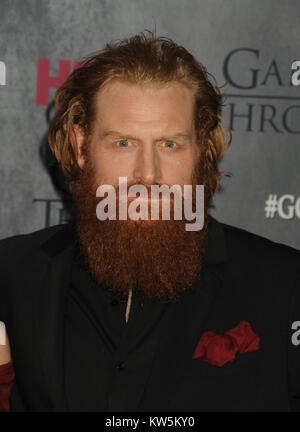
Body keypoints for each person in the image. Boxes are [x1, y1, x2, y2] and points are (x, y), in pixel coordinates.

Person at [0, 30, 300, 412]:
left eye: (169, 144)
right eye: (123, 142)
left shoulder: (285, 287)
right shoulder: (11, 274)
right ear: (80, 146)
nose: (148, 174)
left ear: (202, 149)